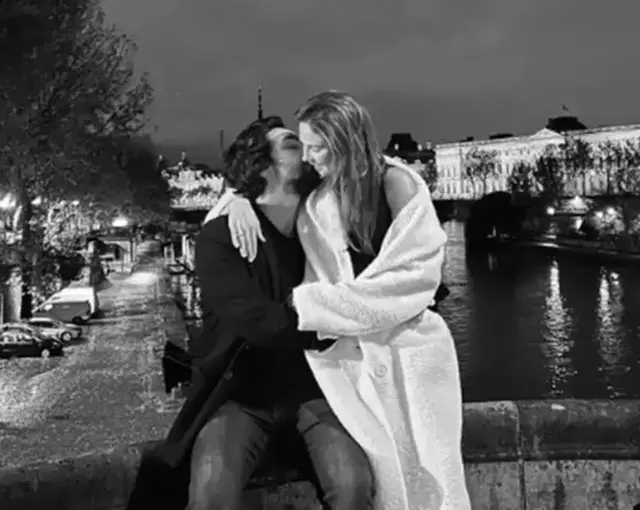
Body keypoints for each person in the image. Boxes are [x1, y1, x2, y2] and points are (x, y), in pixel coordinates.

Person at [207, 91, 470, 510]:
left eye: (315, 146)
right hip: (343, 364)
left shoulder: (391, 183)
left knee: (426, 476)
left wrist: (314, 308)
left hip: (406, 356)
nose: (308, 156)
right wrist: (236, 199)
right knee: (377, 479)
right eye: (300, 146)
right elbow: (255, 182)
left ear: (343, 141)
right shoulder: (317, 192)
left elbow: (417, 278)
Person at [126, 115, 373, 510]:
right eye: (293, 146)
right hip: (240, 396)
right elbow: (257, 321)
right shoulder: (220, 237)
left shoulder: (324, 232)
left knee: (354, 486)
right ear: (262, 166)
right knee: (211, 495)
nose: (309, 152)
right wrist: (329, 329)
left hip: (315, 391)